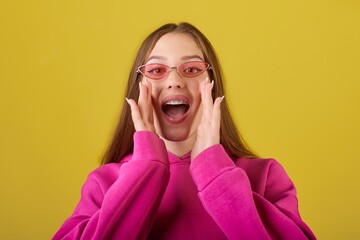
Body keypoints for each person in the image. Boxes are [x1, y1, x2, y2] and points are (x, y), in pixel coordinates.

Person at [53, 22, 316, 240]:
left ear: (212, 86)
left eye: (191, 69)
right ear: (139, 89)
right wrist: (146, 167)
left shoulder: (265, 176)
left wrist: (213, 171)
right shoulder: (104, 184)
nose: (175, 81)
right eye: (157, 70)